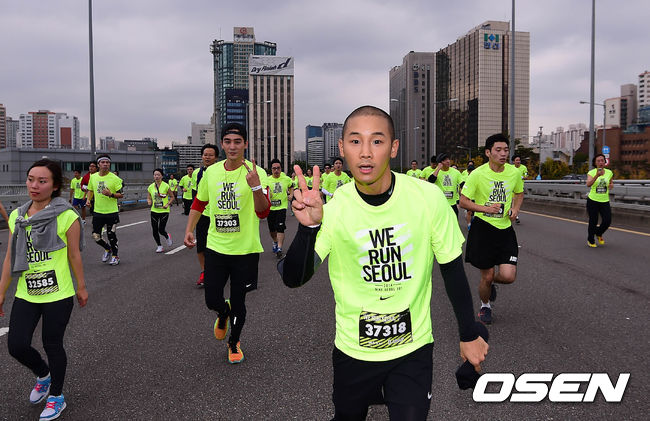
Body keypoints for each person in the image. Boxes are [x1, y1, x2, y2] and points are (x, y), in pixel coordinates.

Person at [280, 106, 488, 420]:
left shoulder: (427, 198)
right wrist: (309, 228)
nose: (365, 153)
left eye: (377, 141)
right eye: (355, 141)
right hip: (353, 351)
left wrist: (469, 333)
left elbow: (451, 268)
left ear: (393, 148)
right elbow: (293, 278)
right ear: (342, 148)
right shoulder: (334, 209)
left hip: (412, 350)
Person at [0, 159, 88, 421]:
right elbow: (10, 257)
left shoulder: (67, 215)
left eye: (42, 181)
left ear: (55, 185)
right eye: (30, 180)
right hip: (27, 292)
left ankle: (57, 397)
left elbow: (74, 255)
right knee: (16, 345)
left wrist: (81, 287)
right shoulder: (17, 216)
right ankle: (43, 374)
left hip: (58, 293)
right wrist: (1, 292)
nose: (34, 186)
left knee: (52, 344)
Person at [184, 123, 270, 364]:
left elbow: (263, 212)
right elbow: (199, 202)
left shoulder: (257, 172)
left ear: (245, 144)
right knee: (211, 299)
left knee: (239, 300)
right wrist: (189, 229)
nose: (233, 146)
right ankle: (223, 312)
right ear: (222, 144)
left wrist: (255, 186)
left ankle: (234, 342)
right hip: (216, 248)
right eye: (228, 141)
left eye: (238, 142)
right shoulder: (210, 172)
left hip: (246, 250)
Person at [459, 134, 524, 325]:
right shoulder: (477, 174)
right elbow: (463, 201)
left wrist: (515, 209)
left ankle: (490, 283)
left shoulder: (514, 173)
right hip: (483, 229)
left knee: (508, 276)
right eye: (498, 150)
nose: (503, 154)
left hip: (505, 230)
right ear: (488, 152)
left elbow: (519, 193)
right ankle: (485, 305)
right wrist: (485, 209)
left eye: (506, 150)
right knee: (486, 276)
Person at [86, 154, 123, 266]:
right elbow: (90, 190)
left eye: (107, 162)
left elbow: (121, 194)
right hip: (98, 212)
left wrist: (111, 194)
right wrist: (88, 200)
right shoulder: (93, 177)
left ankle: (115, 256)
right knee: (96, 236)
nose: (105, 164)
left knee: (111, 235)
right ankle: (107, 248)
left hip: (111, 212)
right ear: (98, 164)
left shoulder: (115, 178)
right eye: (103, 162)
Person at [191, 144, 219, 286]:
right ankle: (204, 271)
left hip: (217, 214)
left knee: (216, 245)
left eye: (211, 155)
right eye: (205, 155)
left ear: (216, 157)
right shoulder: (196, 173)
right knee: (201, 245)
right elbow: (195, 194)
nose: (207, 157)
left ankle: (217, 270)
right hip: (202, 214)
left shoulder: (221, 171)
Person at [263, 159, 294, 258]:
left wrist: (291, 195)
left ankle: (279, 248)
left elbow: (291, 186)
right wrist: (267, 194)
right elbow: (263, 191)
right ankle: (275, 241)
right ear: (271, 169)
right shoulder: (267, 180)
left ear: (281, 169)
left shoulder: (286, 179)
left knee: (280, 227)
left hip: (282, 207)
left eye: (278, 168)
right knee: (272, 229)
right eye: (274, 168)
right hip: (271, 208)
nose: (276, 170)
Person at [585, 154, 614, 248]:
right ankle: (590, 240)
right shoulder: (591, 172)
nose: (601, 162)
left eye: (602, 160)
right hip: (593, 200)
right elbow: (588, 184)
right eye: (598, 161)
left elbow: (611, 183)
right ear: (595, 163)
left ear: (605, 162)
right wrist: (597, 175)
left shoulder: (609, 172)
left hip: (604, 200)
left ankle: (598, 233)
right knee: (593, 221)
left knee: (607, 221)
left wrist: (611, 185)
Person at [147, 168, 173, 253]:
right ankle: (159, 246)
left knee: (161, 229)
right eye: (155, 175)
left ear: (162, 176)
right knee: (154, 230)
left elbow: (172, 197)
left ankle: (167, 236)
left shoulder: (166, 186)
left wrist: (167, 204)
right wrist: (149, 201)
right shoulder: (151, 187)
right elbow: (148, 197)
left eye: (158, 175)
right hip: (154, 210)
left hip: (164, 211)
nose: (156, 176)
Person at [511, 155, 528, 224]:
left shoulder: (523, 167)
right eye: (516, 160)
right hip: (511, 188)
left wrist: (521, 177)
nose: (518, 161)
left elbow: (526, 176)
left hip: (520, 188)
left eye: (519, 160)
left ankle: (514, 215)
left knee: (516, 203)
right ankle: (515, 216)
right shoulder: (511, 168)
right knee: (513, 202)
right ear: (513, 161)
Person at [460, 160, 475, 230]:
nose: (470, 172)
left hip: (476, 198)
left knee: (476, 213)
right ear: (467, 171)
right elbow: (462, 187)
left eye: (472, 170)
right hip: (468, 197)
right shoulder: (465, 177)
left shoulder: (477, 176)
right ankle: (469, 225)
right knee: (469, 212)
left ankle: (474, 223)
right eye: (469, 170)